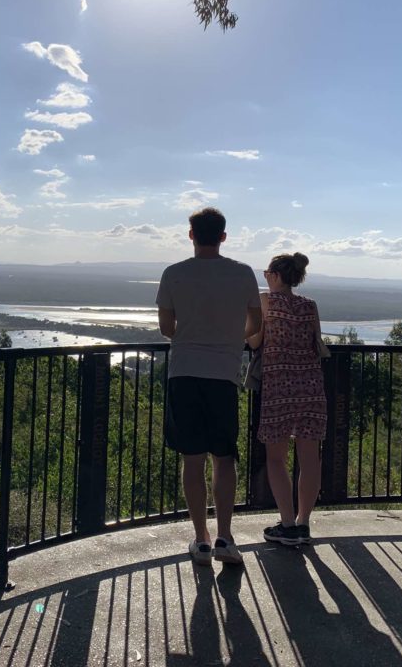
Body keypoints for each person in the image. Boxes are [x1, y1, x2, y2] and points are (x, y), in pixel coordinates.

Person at [156, 207, 262, 565]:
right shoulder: (243, 273)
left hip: (184, 371)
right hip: (223, 374)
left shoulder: (174, 274)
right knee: (224, 456)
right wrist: (228, 338)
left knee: (192, 458)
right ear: (223, 236)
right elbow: (254, 324)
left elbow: (167, 328)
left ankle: (200, 539)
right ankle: (225, 538)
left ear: (190, 235)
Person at [247, 252, 328, 546]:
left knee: (276, 458)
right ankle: (304, 523)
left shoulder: (265, 300)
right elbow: (316, 342)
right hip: (311, 387)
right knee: (310, 459)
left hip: (279, 387)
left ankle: (286, 524)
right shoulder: (310, 306)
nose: (265, 276)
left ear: (276, 275)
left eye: (268, 272)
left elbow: (255, 340)